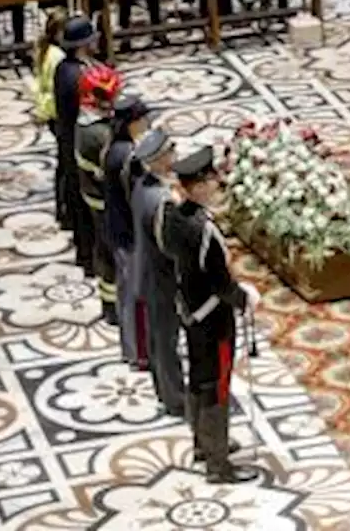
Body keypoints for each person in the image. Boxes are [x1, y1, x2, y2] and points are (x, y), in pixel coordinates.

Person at [164, 146, 260, 484]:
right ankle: (219, 464)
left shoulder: (174, 215)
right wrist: (244, 299)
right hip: (213, 317)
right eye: (209, 179)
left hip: (189, 312)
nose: (216, 184)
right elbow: (219, 281)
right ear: (197, 185)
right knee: (216, 385)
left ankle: (203, 444)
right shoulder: (204, 229)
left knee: (199, 378)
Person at [129, 129, 184, 415]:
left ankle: (165, 389)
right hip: (160, 278)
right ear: (162, 159)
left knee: (158, 338)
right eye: (171, 150)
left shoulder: (142, 185)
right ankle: (175, 397)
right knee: (165, 340)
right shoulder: (162, 201)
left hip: (145, 270)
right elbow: (168, 245)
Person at [105, 95, 152, 370]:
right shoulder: (128, 158)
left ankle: (130, 347)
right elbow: (136, 198)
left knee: (126, 290)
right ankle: (138, 352)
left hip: (116, 228)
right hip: (129, 234)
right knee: (135, 293)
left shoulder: (114, 148)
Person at [75, 62, 123, 322]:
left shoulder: (86, 125)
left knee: (104, 249)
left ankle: (111, 303)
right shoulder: (99, 134)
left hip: (94, 197)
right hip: (105, 201)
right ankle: (114, 306)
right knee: (112, 252)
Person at [53, 17, 95, 249]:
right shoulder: (78, 76)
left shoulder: (64, 67)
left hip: (67, 136)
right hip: (78, 140)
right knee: (83, 198)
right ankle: (88, 251)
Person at [31, 10, 68, 223]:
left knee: (63, 162)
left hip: (50, 110)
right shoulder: (57, 57)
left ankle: (61, 206)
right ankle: (62, 208)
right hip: (56, 111)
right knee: (64, 163)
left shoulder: (48, 51)